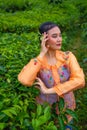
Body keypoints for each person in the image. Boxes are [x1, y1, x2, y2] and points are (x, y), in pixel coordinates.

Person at [18, 22, 85, 129]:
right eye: (54, 36)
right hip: (45, 111)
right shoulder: (39, 62)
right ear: (44, 39)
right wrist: (41, 54)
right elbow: (25, 80)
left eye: (60, 35)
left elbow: (80, 80)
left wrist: (48, 90)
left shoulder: (67, 57)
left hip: (66, 110)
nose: (59, 39)